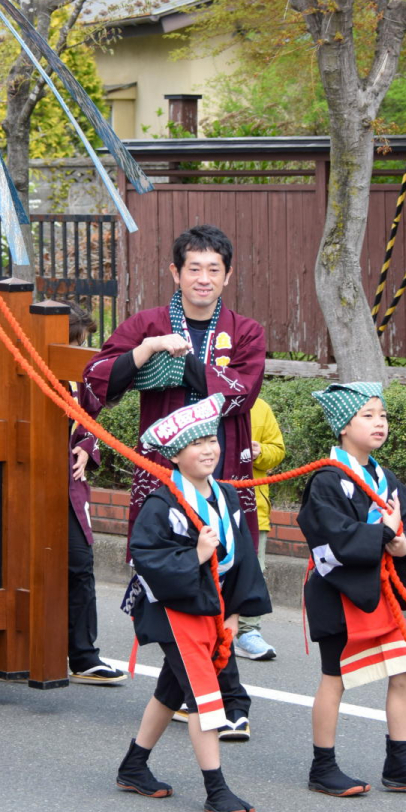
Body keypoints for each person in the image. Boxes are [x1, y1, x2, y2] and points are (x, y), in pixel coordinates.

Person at [84, 224, 266, 739]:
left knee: (221, 572)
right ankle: (219, 695)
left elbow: (240, 393)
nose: (203, 278)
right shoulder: (145, 323)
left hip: (222, 473)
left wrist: (180, 361)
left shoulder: (246, 331)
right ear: (175, 273)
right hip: (162, 480)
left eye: (214, 269)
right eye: (194, 268)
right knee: (168, 576)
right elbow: (96, 377)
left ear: (227, 275)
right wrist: (145, 354)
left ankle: (210, 695)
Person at [0, 304, 125, 684]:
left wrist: (85, 446)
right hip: (8, 481)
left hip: (63, 483)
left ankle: (83, 655)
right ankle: (15, 651)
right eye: (76, 342)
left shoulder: (80, 374)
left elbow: (89, 419)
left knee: (78, 564)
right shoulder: (2, 360)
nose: (81, 350)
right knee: (8, 566)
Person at [115, 394, 270, 812]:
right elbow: (146, 557)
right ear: (175, 455)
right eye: (195, 443)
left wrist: (236, 613)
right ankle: (216, 789)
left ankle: (133, 766)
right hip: (173, 609)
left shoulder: (228, 496)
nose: (208, 449)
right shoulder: (162, 503)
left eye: (211, 439)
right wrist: (198, 556)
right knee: (206, 698)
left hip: (214, 608)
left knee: (170, 690)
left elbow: (244, 559)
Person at [298, 381, 406, 798]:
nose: (379, 423)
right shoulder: (328, 479)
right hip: (339, 592)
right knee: (336, 678)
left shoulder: (383, 476)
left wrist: (404, 543)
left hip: (380, 593)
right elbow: (327, 534)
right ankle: (322, 766)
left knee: (404, 671)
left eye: (382, 415)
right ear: (343, 426)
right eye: (367, 415)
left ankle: (400, 763)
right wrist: (380, 533)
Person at [235, 396, 284, 661]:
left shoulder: (261, 406)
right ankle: (205, 628)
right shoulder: (204, 401)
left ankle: (248, 632)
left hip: (254, 508)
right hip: (209, 502)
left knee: (255, 571)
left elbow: (278, 450)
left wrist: (261, 452)